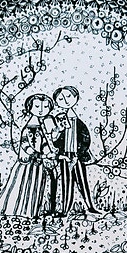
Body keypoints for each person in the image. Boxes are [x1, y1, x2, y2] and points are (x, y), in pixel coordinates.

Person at [0, 94, 57, 218]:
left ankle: (30, 212)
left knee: (35, 187)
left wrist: (48, 152)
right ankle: (14, 210)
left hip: (38, 164)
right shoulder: (29, 127)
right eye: (37, 106)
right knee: (21, 185)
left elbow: (44, 143)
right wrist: (40, 155)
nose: (41, 110)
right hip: (27, 163)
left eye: (45, 107)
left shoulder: (42, 125)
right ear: (30, 107)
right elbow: (25, 145)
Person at [51, 86, 99, 216]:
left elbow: (86, 138)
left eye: (68, 97)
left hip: (77, 156)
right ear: (57, 102)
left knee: (82, 181)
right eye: (61, 99)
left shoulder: (78, 122)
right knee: (66, 182)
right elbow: (54, 140)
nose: (66, 101)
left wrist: (80, 152)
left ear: (76, 97)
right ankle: (65, 210)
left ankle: (90, 206)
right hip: (65, 156)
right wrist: (58, 132)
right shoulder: (59, 121)